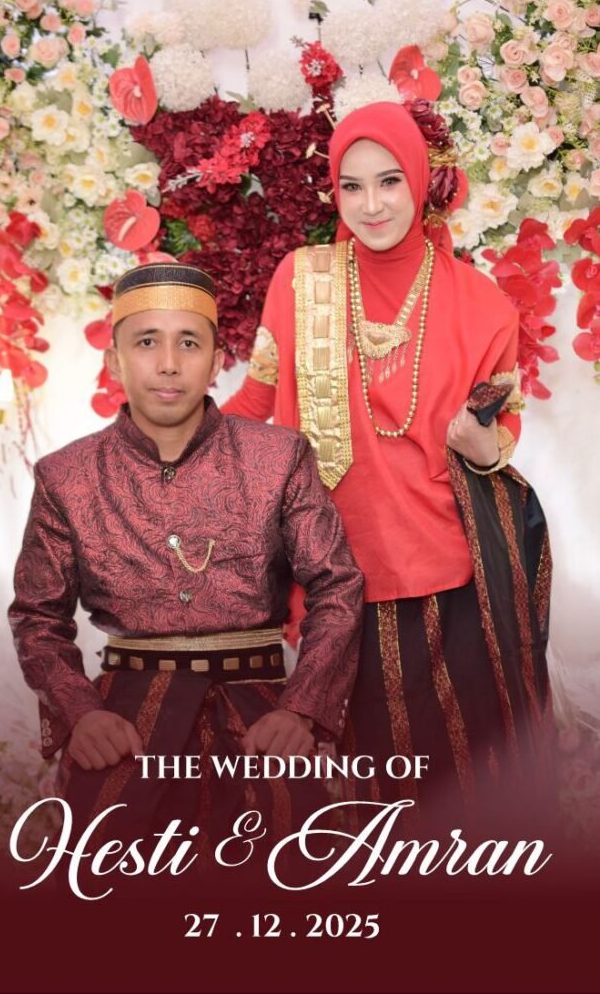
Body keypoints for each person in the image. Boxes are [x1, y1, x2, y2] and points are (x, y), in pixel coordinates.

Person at [223, 102, 553, 827]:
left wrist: (484, 446)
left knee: (455, 781)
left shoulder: (482, 304)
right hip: (335, 574)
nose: (371, 205)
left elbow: (502, 427)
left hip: (446, 576)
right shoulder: (302, 281)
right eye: (352, 186)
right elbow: (255, 401)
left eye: (390, 181)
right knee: (357, 783)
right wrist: (168, 453)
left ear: (422, 182)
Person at [8, 261, 364, 859]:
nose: (169, 363)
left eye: (189, 343)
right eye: (147, 342)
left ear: (218, 359)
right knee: (104, 881)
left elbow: (337, 586)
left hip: (263, 713)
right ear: (115, 360)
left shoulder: (278, 457)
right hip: (124, 719)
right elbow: (37, 617)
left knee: (290, 873)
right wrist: (81, 714)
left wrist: (302, 710)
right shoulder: (66, 476)